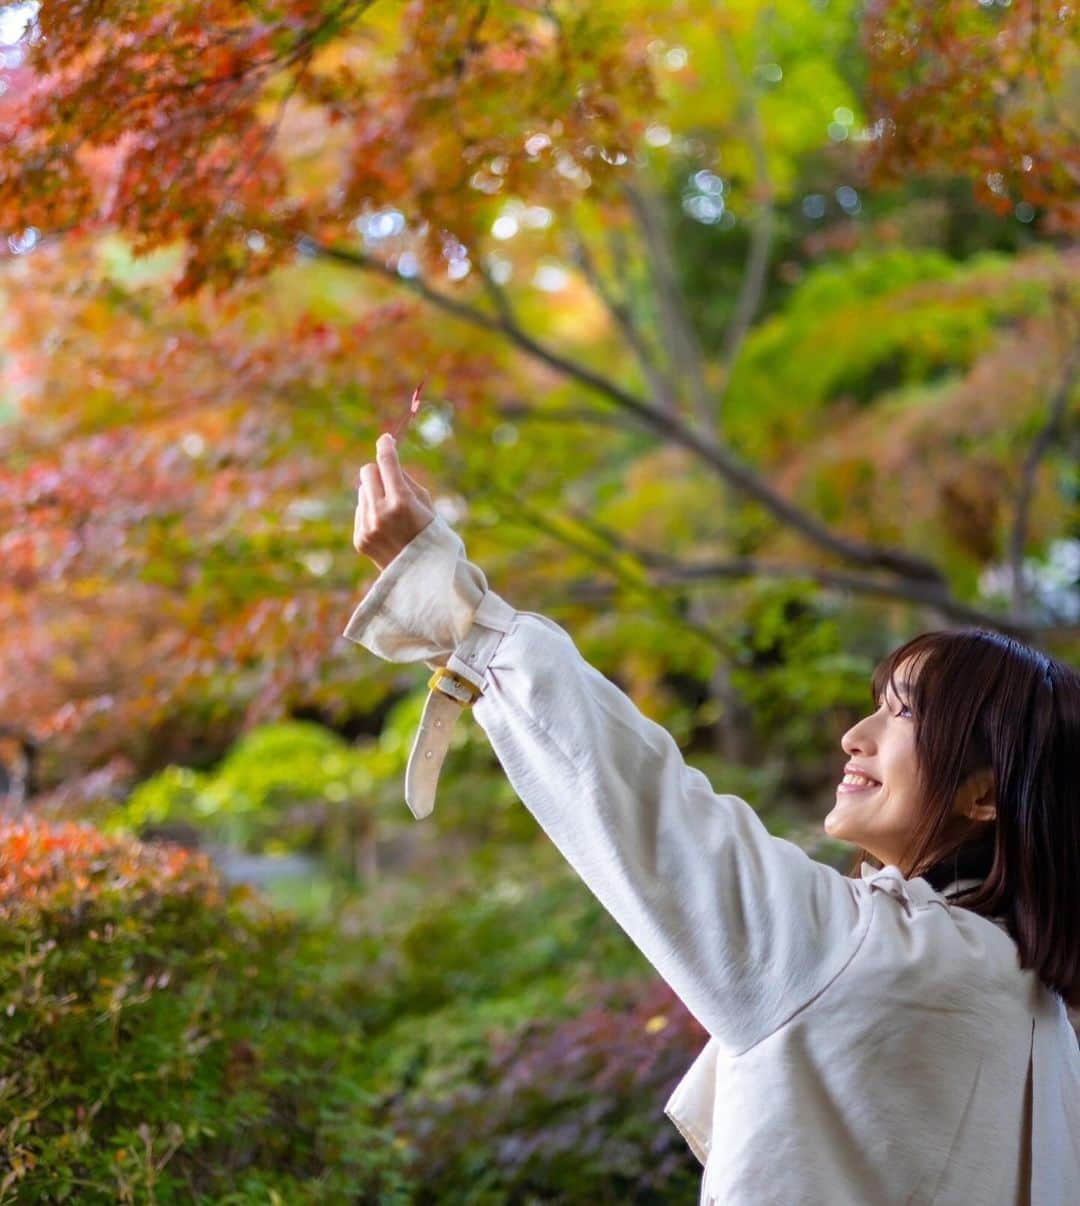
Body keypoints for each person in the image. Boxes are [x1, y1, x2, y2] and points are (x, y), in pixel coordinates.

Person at [344, 433, 1080, 1206]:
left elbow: (644, 802)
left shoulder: (876, 952)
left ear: (985, 794)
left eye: (902, 714)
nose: (853, 736)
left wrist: (447, 597)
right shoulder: (1034, 1007)